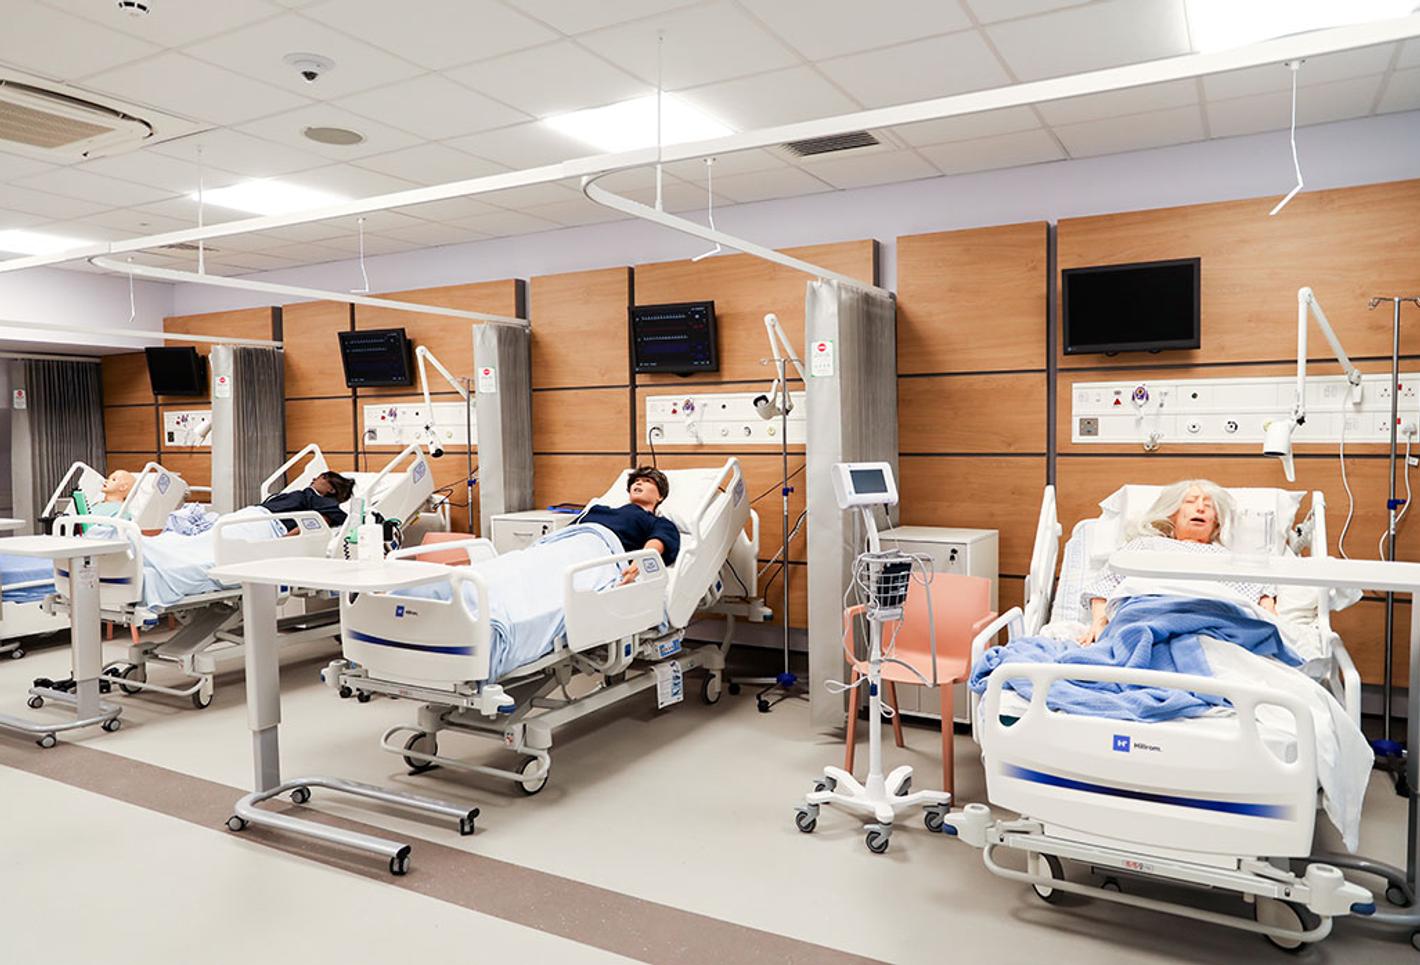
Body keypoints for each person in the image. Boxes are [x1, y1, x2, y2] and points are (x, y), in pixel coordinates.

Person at [1079, 479, 1278, 645]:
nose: (1200, 508)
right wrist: (1099, 621)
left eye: (1208, 506)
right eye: (1190, 502)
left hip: (1213, 622)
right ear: (1172, 513)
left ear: (1216, 521)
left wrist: (1269, 613)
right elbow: (1105, 586)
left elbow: (1263, 593)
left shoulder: (1228, 557)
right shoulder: (1146, 546)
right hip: (1147, 615)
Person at [578, 467, 680, 584]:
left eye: (647, 481)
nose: (639, 482)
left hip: (599, 549)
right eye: (636, 481)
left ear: (660, 496)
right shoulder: (598, 509)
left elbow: (658, 541)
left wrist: (635, 567)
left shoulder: (657, 521)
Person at [260, 471, 355, 531]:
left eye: (323, 477)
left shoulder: (316, 501)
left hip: (268, 523)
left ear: (331, 489)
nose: (314, 479)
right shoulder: (306, 496)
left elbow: (343, 516)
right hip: (257, 512)